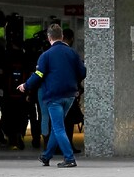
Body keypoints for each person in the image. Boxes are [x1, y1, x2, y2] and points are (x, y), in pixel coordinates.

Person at [18, 24, 85, 168]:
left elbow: (39, 74)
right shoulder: (72, 53)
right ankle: (46, 156)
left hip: (54, 96)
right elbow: (82, 72)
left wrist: (25, 86)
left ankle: (69, 158)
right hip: (70, 96)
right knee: (57, 126)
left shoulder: (46, 55)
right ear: (61, 36)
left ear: (49, 38)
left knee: (58, 128)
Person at [62, 28, 84, 154]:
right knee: (68, 122)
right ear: (71, 39)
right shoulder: (72, 54)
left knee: (57, 123)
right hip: (70, 91)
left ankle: (52, 148)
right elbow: (82, 72)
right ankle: (68, 148)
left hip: (54, 93)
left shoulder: (49, 53)